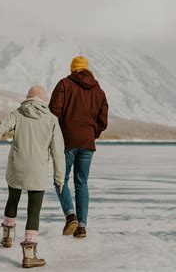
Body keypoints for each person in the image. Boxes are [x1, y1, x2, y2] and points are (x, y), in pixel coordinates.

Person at [0, 85, 65, 269]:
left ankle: (7, 237)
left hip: (17, 167)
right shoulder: (52, 120)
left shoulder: (18, 114)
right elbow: (58, 153)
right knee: (34, 212)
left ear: (28, 99)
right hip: (37, 171)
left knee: (12, 200)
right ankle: (29, 255)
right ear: (44, 100)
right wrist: (59, 178)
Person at [49, 55, 108, 238]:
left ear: (72, 69)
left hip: (67, 142)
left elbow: (53, 113)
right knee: (82, 183)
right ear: (87, 69)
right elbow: (103, 121)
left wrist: (57, 134)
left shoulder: (64, 84)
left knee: (61, 179)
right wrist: (91, 134)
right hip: (87, 144)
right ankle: (81, 226)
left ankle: (70, 215)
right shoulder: (99, 91)